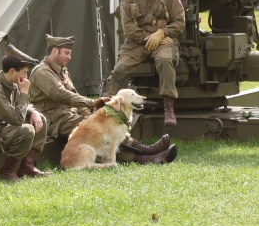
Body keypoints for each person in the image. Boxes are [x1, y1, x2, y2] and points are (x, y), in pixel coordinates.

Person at [30, 34, 176, 164]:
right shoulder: (42, 72)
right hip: (53, 120)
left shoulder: (61, 71)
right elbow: (61, 95)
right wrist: (91, 102)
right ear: (55, 51)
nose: (69, 57)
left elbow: (73, 92)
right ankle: (145, 154)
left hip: (68, 116)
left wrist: (88, 112)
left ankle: (148, 155)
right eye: (67, 53)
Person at [103, 0, 186, 127]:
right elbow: (128, 26)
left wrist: (161, 33)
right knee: (120, 69)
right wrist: (148, 38)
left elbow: (179, 22)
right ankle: (107, 106)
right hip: (137, 41)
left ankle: (168, 108)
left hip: (163, 39)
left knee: (165, 61)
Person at [0, 44, 49, 181]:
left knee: (39, 118)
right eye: (24, 73)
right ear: (12, 71)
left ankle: (26, 166)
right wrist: (24, 92)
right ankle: (7, 171)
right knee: (27, 130)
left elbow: (17, 109)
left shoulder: (11, 84)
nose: (26, 77)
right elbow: (16, 119)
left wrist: (33, 112)